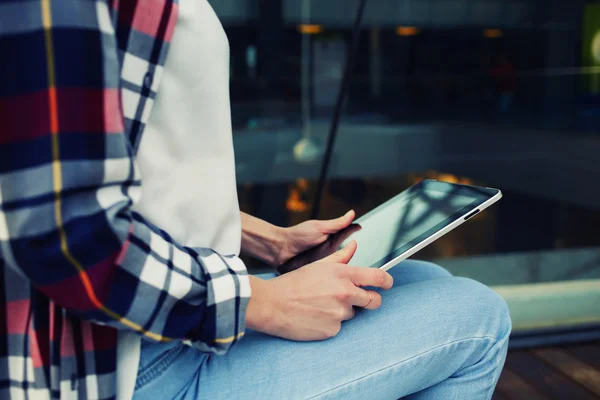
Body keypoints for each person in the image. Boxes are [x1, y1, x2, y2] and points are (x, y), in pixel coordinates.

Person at [0, 1, 511, 399]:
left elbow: (120, 174)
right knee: (478, 317)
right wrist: (263, 302)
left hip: (162, 319)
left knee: (424, 280)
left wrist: (268, 240)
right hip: (122, 361)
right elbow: (64, 233)